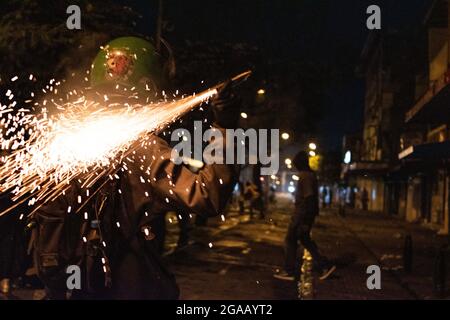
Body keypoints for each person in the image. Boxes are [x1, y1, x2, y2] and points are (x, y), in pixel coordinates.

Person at [31, 37, 241, 299]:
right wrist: (225, 129)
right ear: (151, 86)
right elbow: (207, 196)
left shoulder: (65, 141)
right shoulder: (144, 147)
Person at [274, 151, 336, 281]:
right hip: (305, 214)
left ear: (299, 164)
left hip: (301, 215)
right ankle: (325, 266)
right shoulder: (310, 175)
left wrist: (305, 220)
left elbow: (309, 197)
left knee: (290, 240)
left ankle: (289, 271)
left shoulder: (304, 176)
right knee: (306, 240)